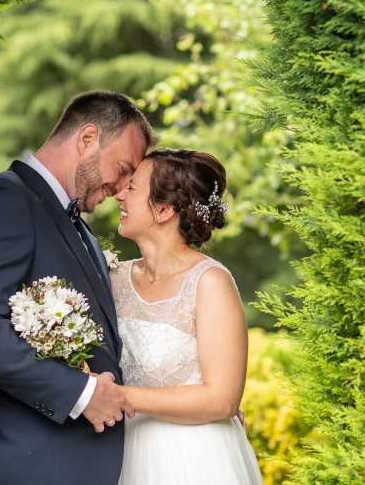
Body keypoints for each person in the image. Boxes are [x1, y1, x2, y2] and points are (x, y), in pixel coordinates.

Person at [0, 90, 157, 484]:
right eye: (124, 168)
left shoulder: (83, 232)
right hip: (19, 468)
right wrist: (81, 393)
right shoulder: (4, 199)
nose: (124, 188)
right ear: (87, 138)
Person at [111, 148, 263, 484]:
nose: (119, 194)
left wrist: (120, 397)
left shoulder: (210, 282)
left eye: (132, 188)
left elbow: (222, 399)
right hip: (120, 453)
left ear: (163, 209)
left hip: (193, 458)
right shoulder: (113, 277)